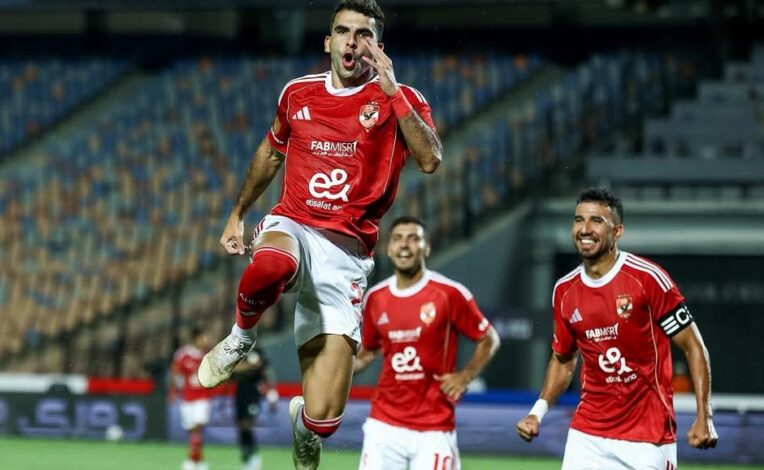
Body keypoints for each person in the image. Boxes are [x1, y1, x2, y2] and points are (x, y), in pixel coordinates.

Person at [196, 1, 442, 468]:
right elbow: (271, 153)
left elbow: (430, 159)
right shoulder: (297, 93)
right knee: (272, 263)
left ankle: (304, 429)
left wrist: (392, 90)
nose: (352, 41)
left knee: (325, 418)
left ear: (378, 47)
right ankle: (240, 339)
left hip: (347, 256)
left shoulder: (400, 98)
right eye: (343, 31)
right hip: (294, 225)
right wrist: (238, 213)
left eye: (363, 34)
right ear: (328, 42)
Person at [516, 188, 718, 469]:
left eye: (596, 221)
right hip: (587, 435)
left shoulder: (647, 279)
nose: (585, 229)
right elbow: (563, 360)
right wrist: (537, 412)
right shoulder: (564, 290)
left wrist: (704, 416)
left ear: (617, 231)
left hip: (647, 437)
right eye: (579, 219)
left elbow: (694, 347)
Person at [354, 216, 500, 470]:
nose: (404, 245)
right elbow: (366, 354)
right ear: (388, 248)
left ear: (427, 247)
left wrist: (465, 376)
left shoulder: (449, 293)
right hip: (384, 424)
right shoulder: (375, 297)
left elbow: (489, 339)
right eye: (398, 239)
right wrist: (333, 371)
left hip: (434, 428)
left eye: (413, 239)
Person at [170, 326, 213, 470]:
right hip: (187, 397)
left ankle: (192, 460)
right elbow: (176, 373)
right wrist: (174, 391)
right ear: (195, 338)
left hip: (203, 397)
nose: (205, 340)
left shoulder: (208, 354)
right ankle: (198, 461)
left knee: (197, 428)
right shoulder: (183, 354)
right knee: (191, 431)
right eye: (203, 337)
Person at [232, 346, 279, 470]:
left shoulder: (258, 352)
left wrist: (272, 393)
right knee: (240, 426)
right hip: (240, 392)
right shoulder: (239, 352)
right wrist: (249, 366)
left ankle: (253, 456)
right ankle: (246, 456)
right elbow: (233, 368)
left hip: (253, 393)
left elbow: (265, 371)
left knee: (247, 425)